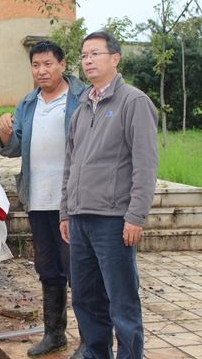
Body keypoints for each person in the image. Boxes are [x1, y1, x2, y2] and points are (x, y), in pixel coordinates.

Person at [59, 30, 159, 359]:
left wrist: (136, 216)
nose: (88, 60)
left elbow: (146, 164)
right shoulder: (81, 109)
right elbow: (70, 165)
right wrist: (65, 212)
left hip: (113, 221)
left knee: (122, 301)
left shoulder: (134, 102)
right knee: (86, 299)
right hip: (80, 220)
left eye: (95, 54)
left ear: (115, 58)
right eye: (84, 55)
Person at [0, 40, 87, 358]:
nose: (42, 70)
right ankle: (55, 335)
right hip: (37, 199)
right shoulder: (28, 103)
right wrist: (4, 131)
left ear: (62, 64)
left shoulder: (82, 97)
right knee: (48, 268)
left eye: (48, 63)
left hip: (72, 203)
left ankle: (89, 340)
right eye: (36, 65)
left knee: (78, 270)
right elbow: (12, 148)